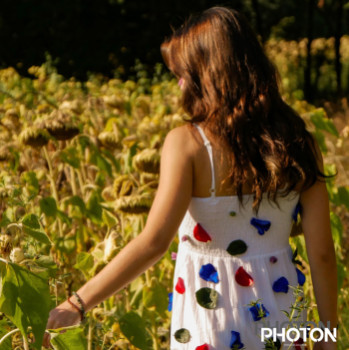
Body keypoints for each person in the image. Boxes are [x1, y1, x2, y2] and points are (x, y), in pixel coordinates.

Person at [43, 6, 338, 350]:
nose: (179, 83)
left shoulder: (187, 144)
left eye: (181, 74)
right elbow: (322, 255)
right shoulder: (300, 142)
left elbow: (153, 242)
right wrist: (327, 337)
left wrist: (77, 304)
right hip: (285, 321)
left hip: (209, 323)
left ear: (207, 73)